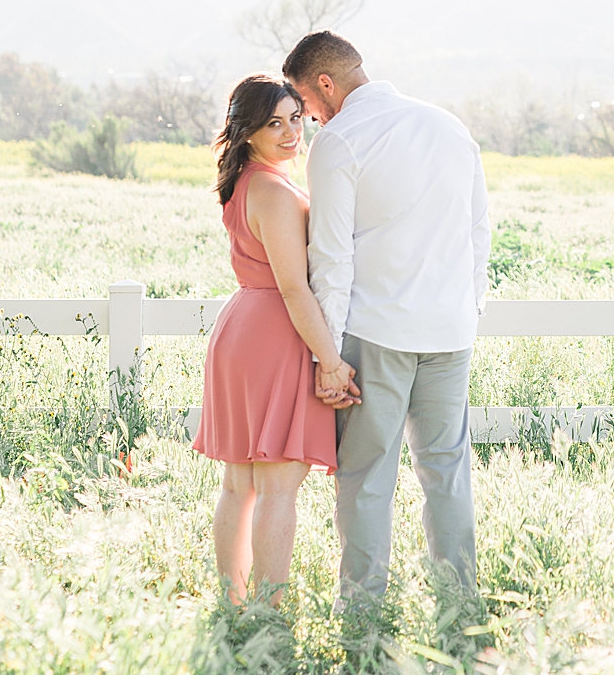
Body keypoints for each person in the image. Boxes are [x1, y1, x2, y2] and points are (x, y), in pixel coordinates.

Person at [283, 30, 491, 605]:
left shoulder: (341, 142)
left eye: (306, 103)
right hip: (450, 332)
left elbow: (330, 257)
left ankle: (365, 607)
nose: (310, 118)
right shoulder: (450, 127)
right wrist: (467, 312)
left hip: (375, 331)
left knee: (367, 475)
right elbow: (479, 236)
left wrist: (328, 355)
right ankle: (457, 602)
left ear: (325, 84)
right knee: (446, 469)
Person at [192, 74, 353, 605]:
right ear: (247, 133)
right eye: (272, 124)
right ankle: (269, 610)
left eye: (294, 119)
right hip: (273, 333)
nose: (290, 134)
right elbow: (293, 286)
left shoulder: (246, 182)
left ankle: (232, 602)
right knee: (278, 486)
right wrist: (330, 361)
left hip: (242, 328)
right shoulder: (273, 190)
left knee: (240, 485)